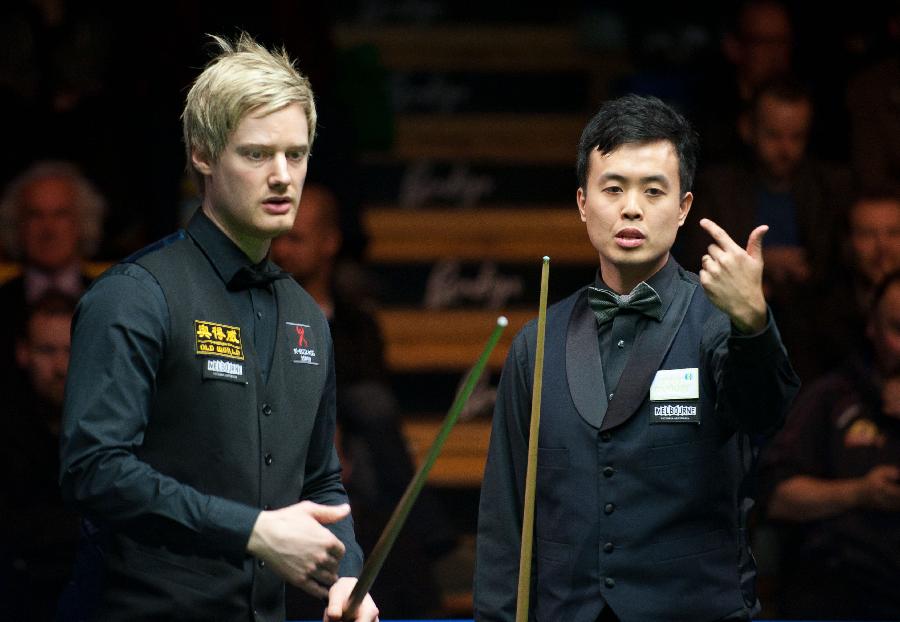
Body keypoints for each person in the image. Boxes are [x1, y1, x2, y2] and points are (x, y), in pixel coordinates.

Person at [58, 34, 377, 622]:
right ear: (202, 154)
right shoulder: (134, 296)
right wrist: (253, 530)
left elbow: (322, 481)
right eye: (256, 154)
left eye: (297, 154)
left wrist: (347, 574)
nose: (283, 176)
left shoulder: (308, 317)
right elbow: (94, 470)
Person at [474, 94, 799, 621]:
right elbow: (505, 517)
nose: (632, 207)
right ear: (583, 203)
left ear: (684, 208)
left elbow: (765, 414)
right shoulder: (537, 343)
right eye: (613, 188)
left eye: (654, 190)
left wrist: (753, 322)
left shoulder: (720, 323)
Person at [272, 184, 450, 618]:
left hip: (347, 442)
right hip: (292, 433)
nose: (281, 251)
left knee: (368, 424)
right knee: (369, 412)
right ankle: (428, 534)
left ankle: (406, 544)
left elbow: (360, 382)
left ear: (329, 243)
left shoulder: (355, 319)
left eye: (295, 238)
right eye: (278, 237)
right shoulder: (261, 309)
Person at [760, 270, 900, 619]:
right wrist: (860, 492)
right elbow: (776, 497)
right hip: (838, 589)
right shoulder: (833, 396)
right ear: (873, 329)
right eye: (898, 328)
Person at [1, 292, 80, 622]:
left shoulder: (117, 429)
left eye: (69, 350)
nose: (60, 367)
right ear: (23, 353)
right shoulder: (6, 430)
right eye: (47, 351)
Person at [0, 161, 105, 374]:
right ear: (16, 224)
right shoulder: (2, 303)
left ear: (83, 221)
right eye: (35, 215)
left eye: (60, 214)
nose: (48, 228)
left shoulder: (111, 299)